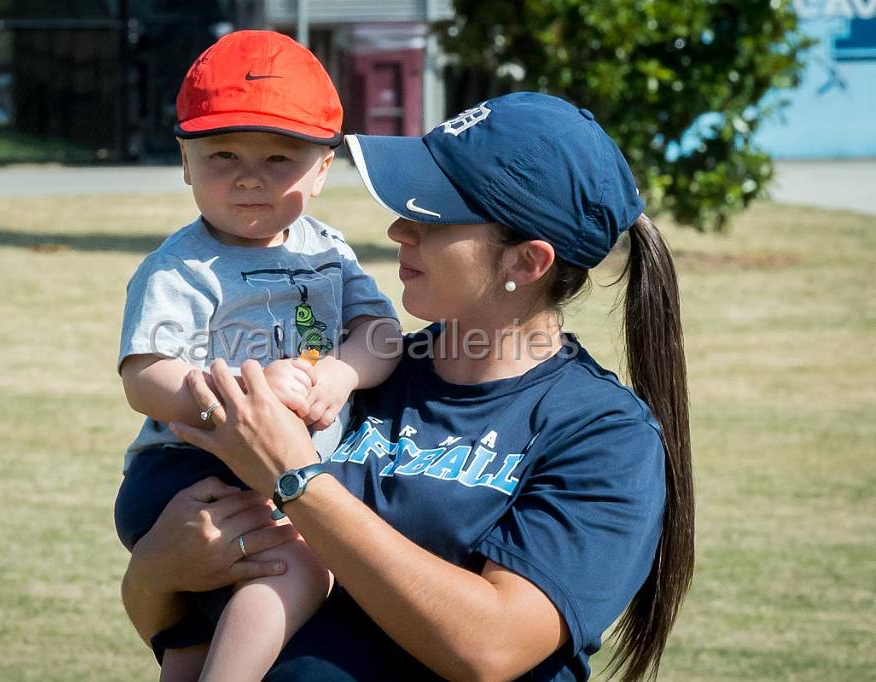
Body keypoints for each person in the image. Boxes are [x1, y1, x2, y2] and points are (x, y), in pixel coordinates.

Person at [124, 92, 695, 681]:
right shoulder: (352, 370)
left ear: (526, 263)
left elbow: (491, 648)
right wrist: (157, 572)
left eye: (433, 216)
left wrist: (297, 478)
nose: (398, 229)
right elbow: (176, 617)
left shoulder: (603, 434)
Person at [114, 30, 401, 682]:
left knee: (189, 641)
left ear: (323, 169)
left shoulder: (325, 249)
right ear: (184, 161)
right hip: (190, 467)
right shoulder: (182, 267)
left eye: (279, 158)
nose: (249, 175)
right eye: (222, 154)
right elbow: (145, 377)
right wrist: (243, 394)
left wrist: (342, 369)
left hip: (280, 467)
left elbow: (381, 331)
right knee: (303, 565)